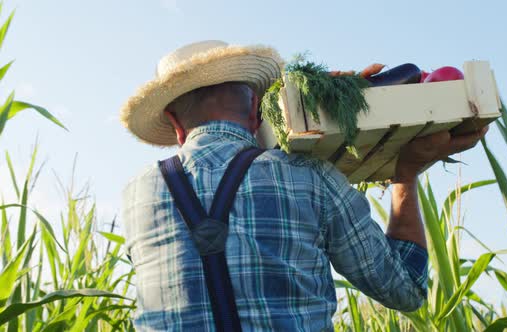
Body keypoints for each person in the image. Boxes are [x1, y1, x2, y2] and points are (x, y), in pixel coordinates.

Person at [120, 40, 488, 331]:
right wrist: (405, 174)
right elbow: (404, 287)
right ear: (254, 112)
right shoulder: (309, 179)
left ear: (175, 123)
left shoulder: (137, 195)